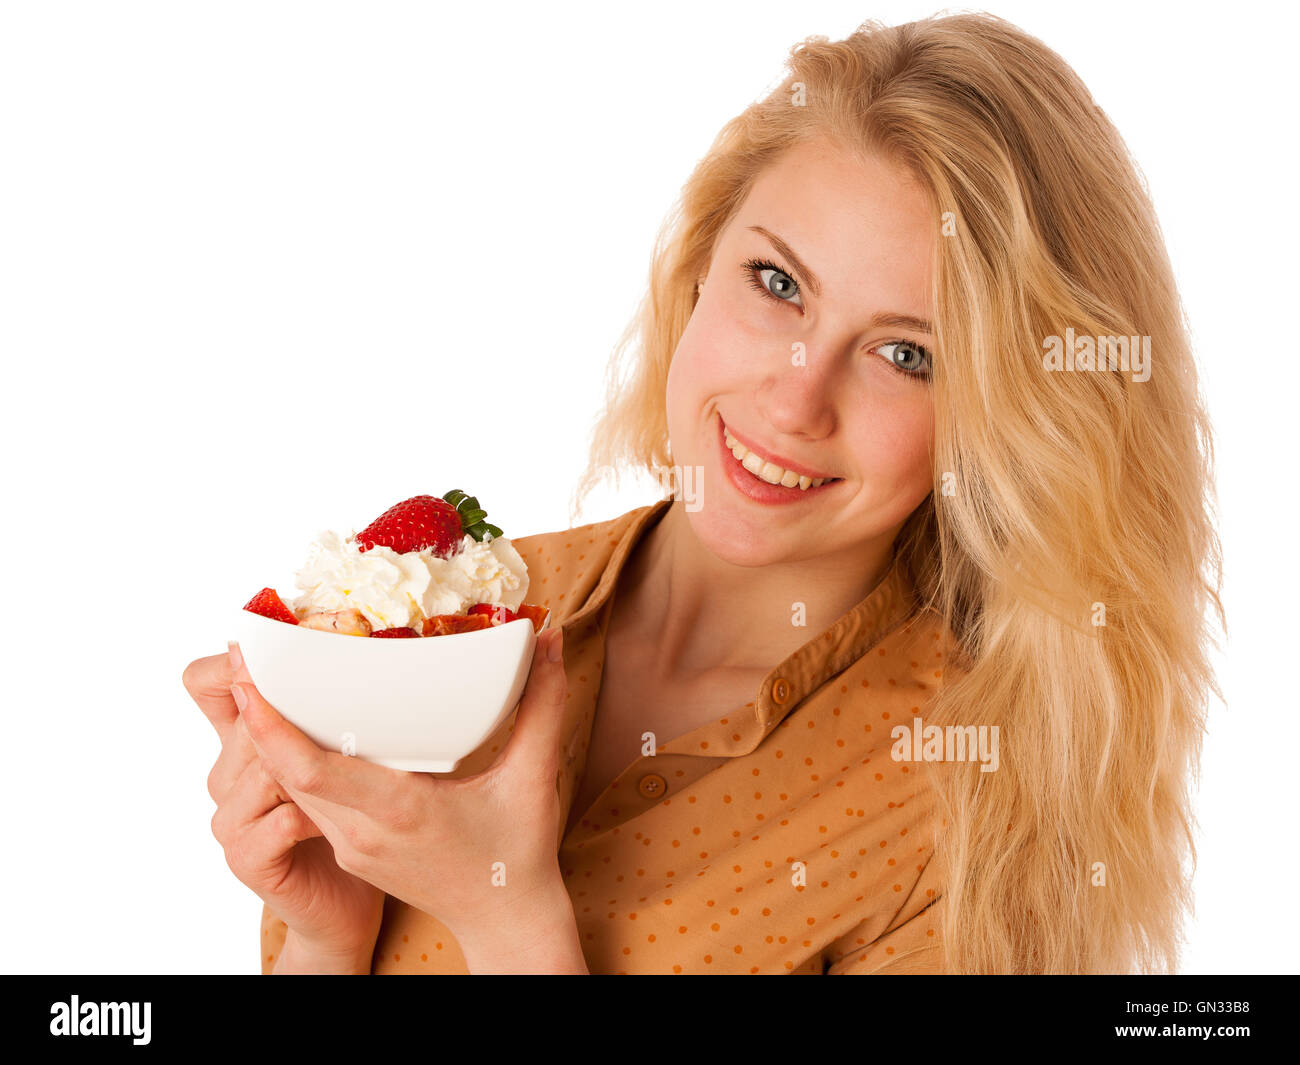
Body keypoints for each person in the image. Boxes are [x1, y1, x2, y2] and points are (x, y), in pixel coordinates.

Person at [183, 11, 1221, 974]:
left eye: (907, 354)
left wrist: (507, 918)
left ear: (1005, 423)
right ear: (696, 265)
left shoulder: (977, 816)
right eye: (777, 284)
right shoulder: (465, 612)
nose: (795, 398)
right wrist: (326, 932)